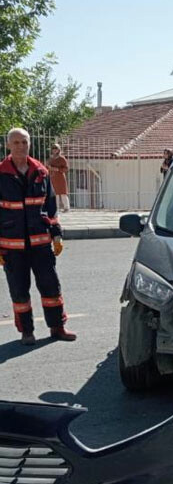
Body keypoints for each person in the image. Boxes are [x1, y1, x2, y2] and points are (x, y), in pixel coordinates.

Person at [0, 127, 76, 344]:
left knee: (51, 286)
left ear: (30, 144)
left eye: (24, 142)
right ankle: (26, 331)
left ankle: (58, 327)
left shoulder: (41, 172)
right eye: (16, 143)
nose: (21, 146)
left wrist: (57, 235)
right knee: (19, 291)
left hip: (41, 243)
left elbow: (50, 208)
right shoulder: (1, 174)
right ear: (8, 145)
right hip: (12, 246)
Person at [48, 143, 70, 212]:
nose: (54, 150)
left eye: (56, 148)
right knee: (55, 194)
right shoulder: (51, 158)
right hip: (52, 177)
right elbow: (48, 166)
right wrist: (49, 168)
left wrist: (57, 169)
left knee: (63, 193)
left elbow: (66, 168)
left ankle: (66, 207)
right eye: (53, 148)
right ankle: (56, 208)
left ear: (59, 150)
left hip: (60, 177)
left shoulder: (62, 158)